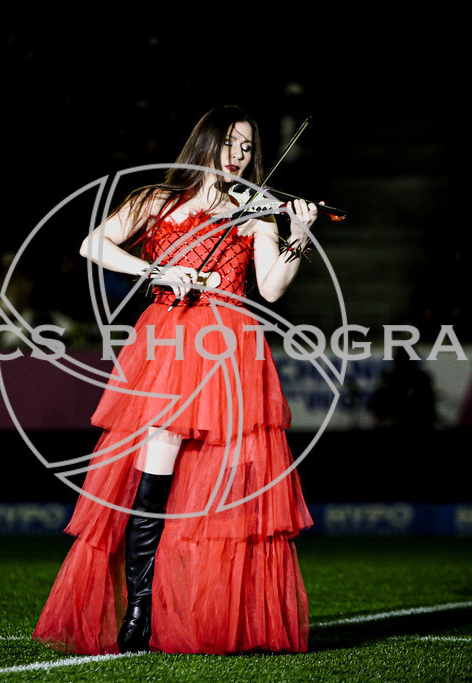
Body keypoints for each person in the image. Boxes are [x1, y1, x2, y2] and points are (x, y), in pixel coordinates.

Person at [32, 106, 319, 656]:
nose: (239, 155)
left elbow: (272, 287)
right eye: (230, 143)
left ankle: (203, 611)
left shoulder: (254, 212)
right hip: (168, 344)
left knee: (222, 485)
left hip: (227, 347)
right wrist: (157, 270)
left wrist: (298, 233)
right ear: (206, 142)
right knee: (154, 472)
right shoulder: (158, 199)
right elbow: (93, 244)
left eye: (247, 147)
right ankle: (140, 610)